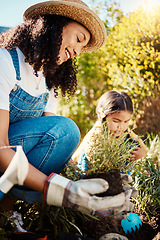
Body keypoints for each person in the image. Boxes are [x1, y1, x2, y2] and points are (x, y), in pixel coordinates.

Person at [0, 0, 135, 237]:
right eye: (79, 39)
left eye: (82, 48)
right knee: (67, 130)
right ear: (55, 25)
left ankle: (6, 210)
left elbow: (50, 145)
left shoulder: (48, 82)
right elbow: (1, 147)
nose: (78, 51)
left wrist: (95, 183)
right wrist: (62, 190)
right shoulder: (5, 62)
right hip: (2, 153)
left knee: (65, 137)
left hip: (11, 168)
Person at [72, 90, 148, 172]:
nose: (121, 127)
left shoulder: (126, 132)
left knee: (131, 144)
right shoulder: (96, 135)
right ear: (104, 117)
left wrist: (141, 154)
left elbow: (144, 149)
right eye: (116, 121)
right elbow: (94, 159)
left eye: (126, 121)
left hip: (117, 171)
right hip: (94, 171)